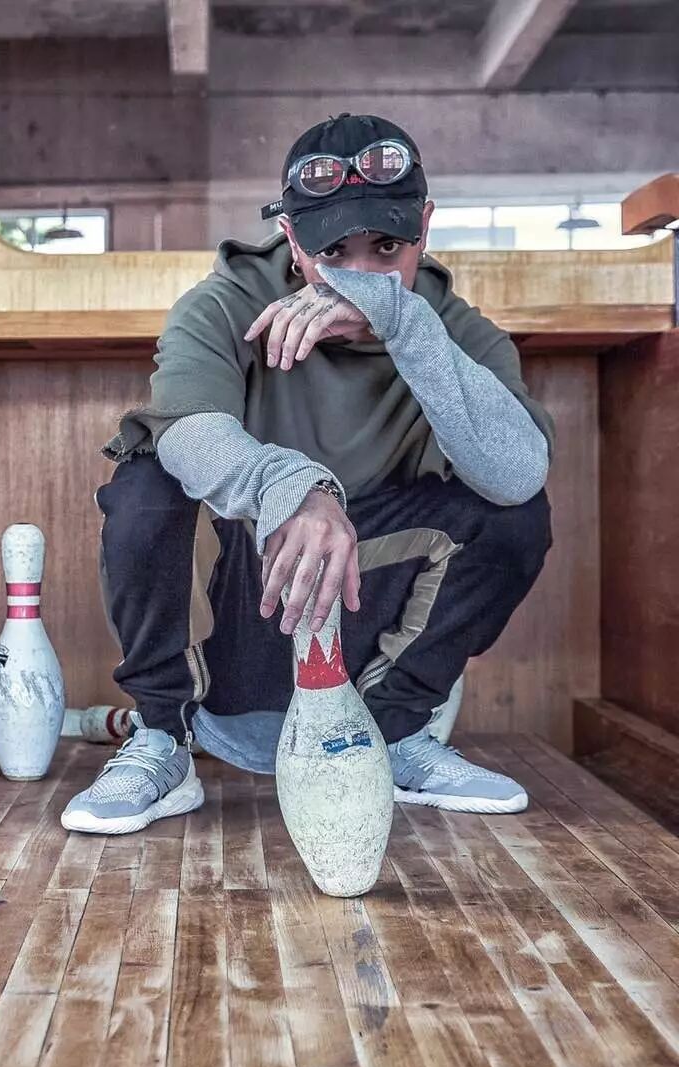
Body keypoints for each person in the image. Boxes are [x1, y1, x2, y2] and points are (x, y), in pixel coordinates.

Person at [62, 112, 554, 836]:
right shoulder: (223, 305)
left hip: (361, 638)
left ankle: (397, 735)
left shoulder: (454, 332)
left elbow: (518, 474)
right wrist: (297, 489)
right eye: (333, 252)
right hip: (239, 625)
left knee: (516, 513)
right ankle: (162, 737)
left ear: (424, 226)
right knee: (149, 478)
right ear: (291, 239)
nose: (360, 276)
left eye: (386, 248)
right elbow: (189, 433)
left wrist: (404, 324)